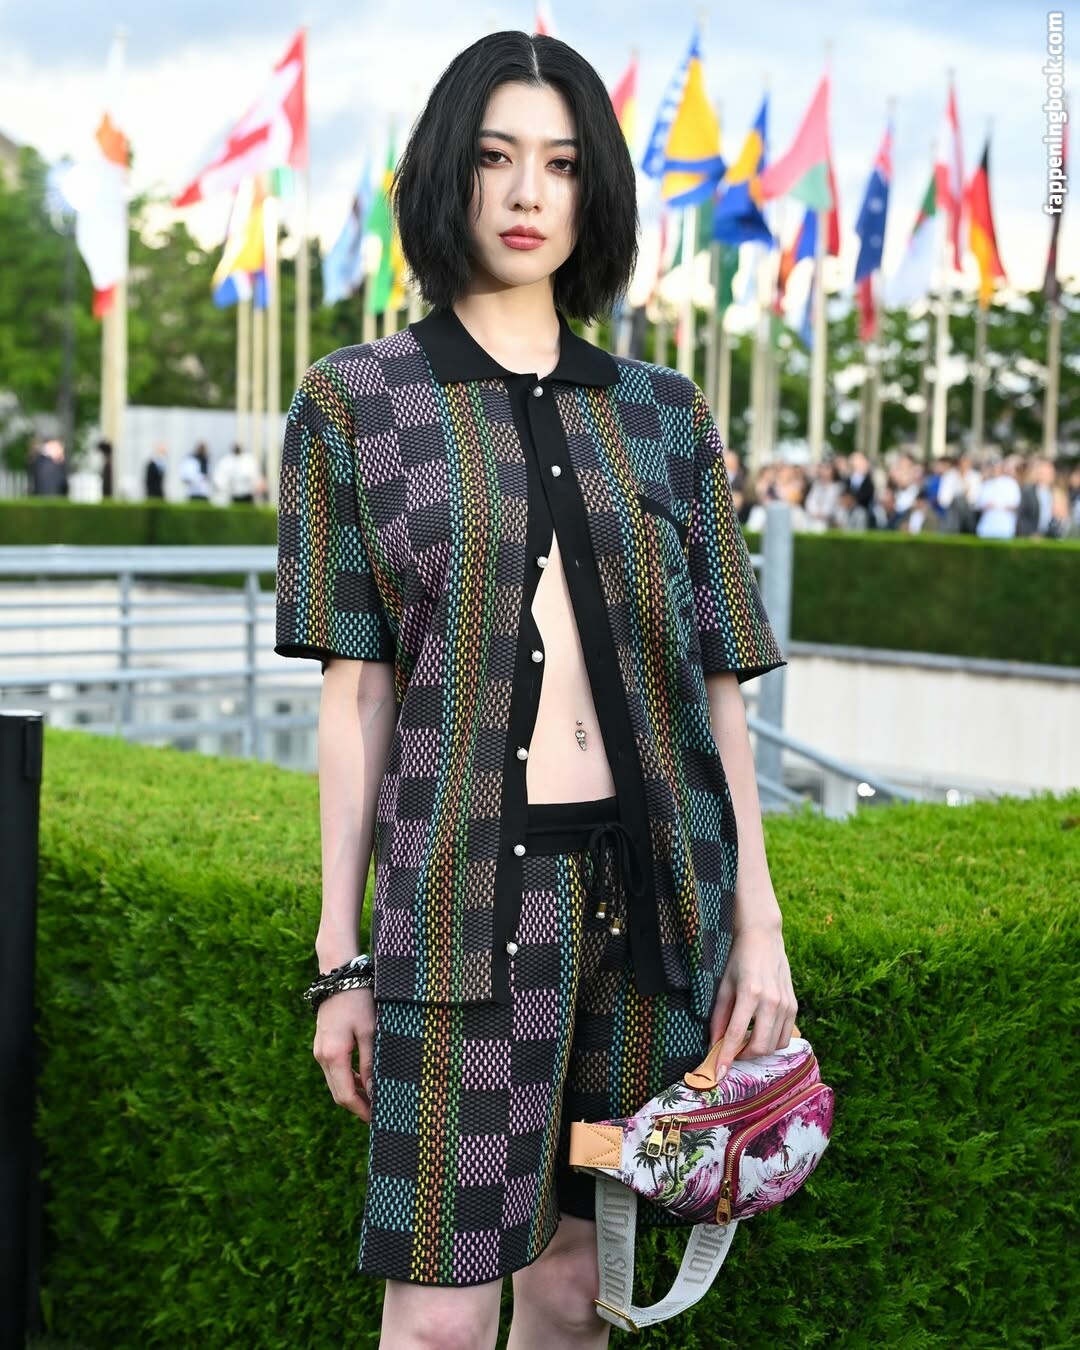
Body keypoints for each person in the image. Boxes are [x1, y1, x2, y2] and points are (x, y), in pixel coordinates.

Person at [274, 31, 796, 1350]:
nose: (525, 193)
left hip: (652, 918)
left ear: (593, 191)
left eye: (560, 165)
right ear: (446, 175)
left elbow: (718, 692)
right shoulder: (356, 404)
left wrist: (760, 926)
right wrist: (340, 960)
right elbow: (353, 699)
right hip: (460, 921)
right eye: (496, 157)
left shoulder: (668, 415)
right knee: (438, 1318)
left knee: (576, 1292)